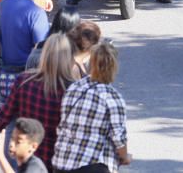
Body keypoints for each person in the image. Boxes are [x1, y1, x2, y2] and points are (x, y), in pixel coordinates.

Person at [0, 33, 77, 168]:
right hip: (60, 162)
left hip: (28, 159)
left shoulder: (24, 81)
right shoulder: (73, 91)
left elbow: (2, 117)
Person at [52, 41, 132, 172]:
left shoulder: (74, 88)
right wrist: (125, 157)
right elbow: (118, 138)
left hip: (62, 163)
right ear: (114, 67)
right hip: (92, 166)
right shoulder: (112, 97)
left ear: (91, 64)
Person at [0, 0, 50, 104]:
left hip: (6, 75)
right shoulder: (36, 13)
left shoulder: (2, 5)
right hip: (29, 78)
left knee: (10, 120)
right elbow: (41, 51)